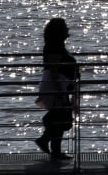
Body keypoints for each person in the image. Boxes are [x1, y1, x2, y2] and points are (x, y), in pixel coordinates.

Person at [35, 18, 77, 161]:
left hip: (60, 85)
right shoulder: (54, 46)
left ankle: (55, 151)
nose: (68, 30)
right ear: (59, 31)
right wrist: (59, 91)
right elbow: (53, 69)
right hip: (56, 85)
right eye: (65, 27)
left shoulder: (57, 45)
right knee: (61, 116)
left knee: (60, 116)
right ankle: (46, 140)